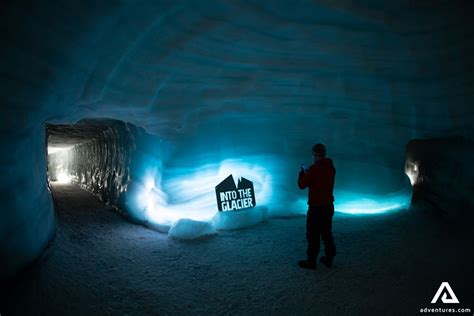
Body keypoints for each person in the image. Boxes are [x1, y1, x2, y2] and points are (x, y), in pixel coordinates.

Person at [297, 143, 336, 270]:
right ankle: (329, 258)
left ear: (314, 154)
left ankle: (311, 261)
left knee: (313, 234)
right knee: (326, 233)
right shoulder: (331, 167)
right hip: (328, 205)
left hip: (316, 207)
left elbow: (302, 185)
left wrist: (302, 173)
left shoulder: (313, 169)